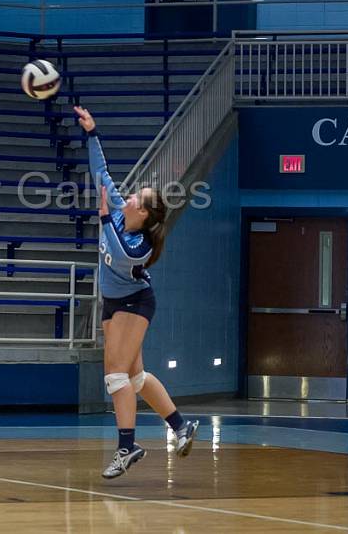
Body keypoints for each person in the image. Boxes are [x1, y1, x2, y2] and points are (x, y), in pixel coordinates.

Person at [73, 105, 199, 480]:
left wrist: (101, 218)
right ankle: (179, 426)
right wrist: (92, 133)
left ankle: (127, 447)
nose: (127, 197)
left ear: (143, 214)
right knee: (136, 377)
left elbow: (119, 251)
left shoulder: (140, 244)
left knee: (115, 375)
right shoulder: (117, 210)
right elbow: (101, 174)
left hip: (134, 302)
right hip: (113, 302)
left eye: (135, 198)